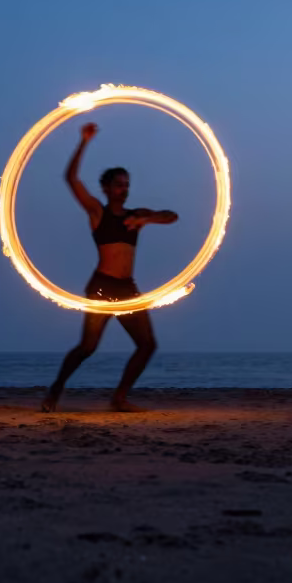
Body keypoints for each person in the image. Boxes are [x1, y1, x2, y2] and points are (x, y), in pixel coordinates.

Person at [41, 122, 178, 413]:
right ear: (105, 188)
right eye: (119, 184)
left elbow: (172, 216)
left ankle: (119, 398)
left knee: (147, 345)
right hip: (102, 287)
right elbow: (70, 178)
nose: (124, 190)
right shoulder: (97, 212)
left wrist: (146, 220)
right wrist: (84, 141)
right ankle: (56, 388)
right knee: (88, 347)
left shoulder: (136, 214)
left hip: (127, 289)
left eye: (127, 185)